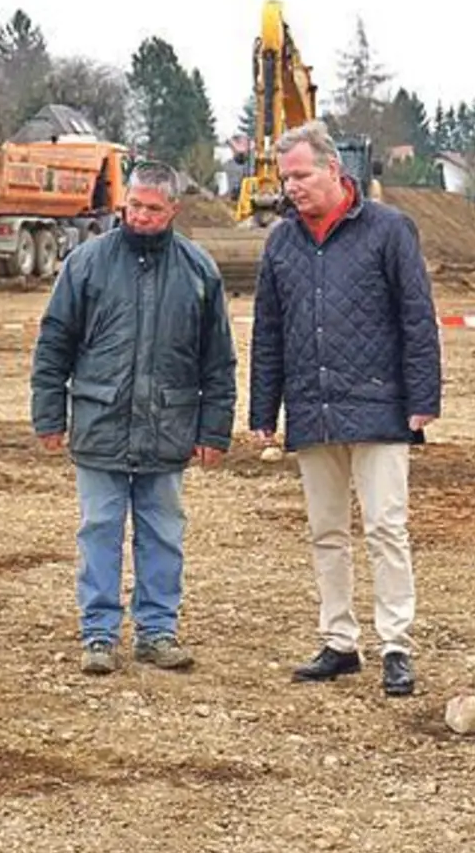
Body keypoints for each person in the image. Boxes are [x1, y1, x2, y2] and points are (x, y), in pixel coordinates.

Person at [247, 121, 443, 697]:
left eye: (302, 175)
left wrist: (422, 397)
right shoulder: (280, 242)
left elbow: (416, 316)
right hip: (312, 409)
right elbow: (269, 331)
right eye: (286, 178)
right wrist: (265, 409)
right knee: (326, 531)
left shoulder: (389, 230)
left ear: (335, 170)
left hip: (380, 406)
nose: (293, 188)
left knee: (386, 526)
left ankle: (396, 645)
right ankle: (339, 640)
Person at [30, 162, 237, 676]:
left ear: (173, 210)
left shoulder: (199, 271)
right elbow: (54, 343)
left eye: (152, 208)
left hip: (168, 427)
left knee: (162, 531)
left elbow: (218, 359)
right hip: (100, 422)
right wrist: (48, 414)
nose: (141, 216)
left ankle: (157, 631)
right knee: (99, 527)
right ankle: (98, 634)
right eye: (134, 206)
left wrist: (214, 429)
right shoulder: (86, 264)